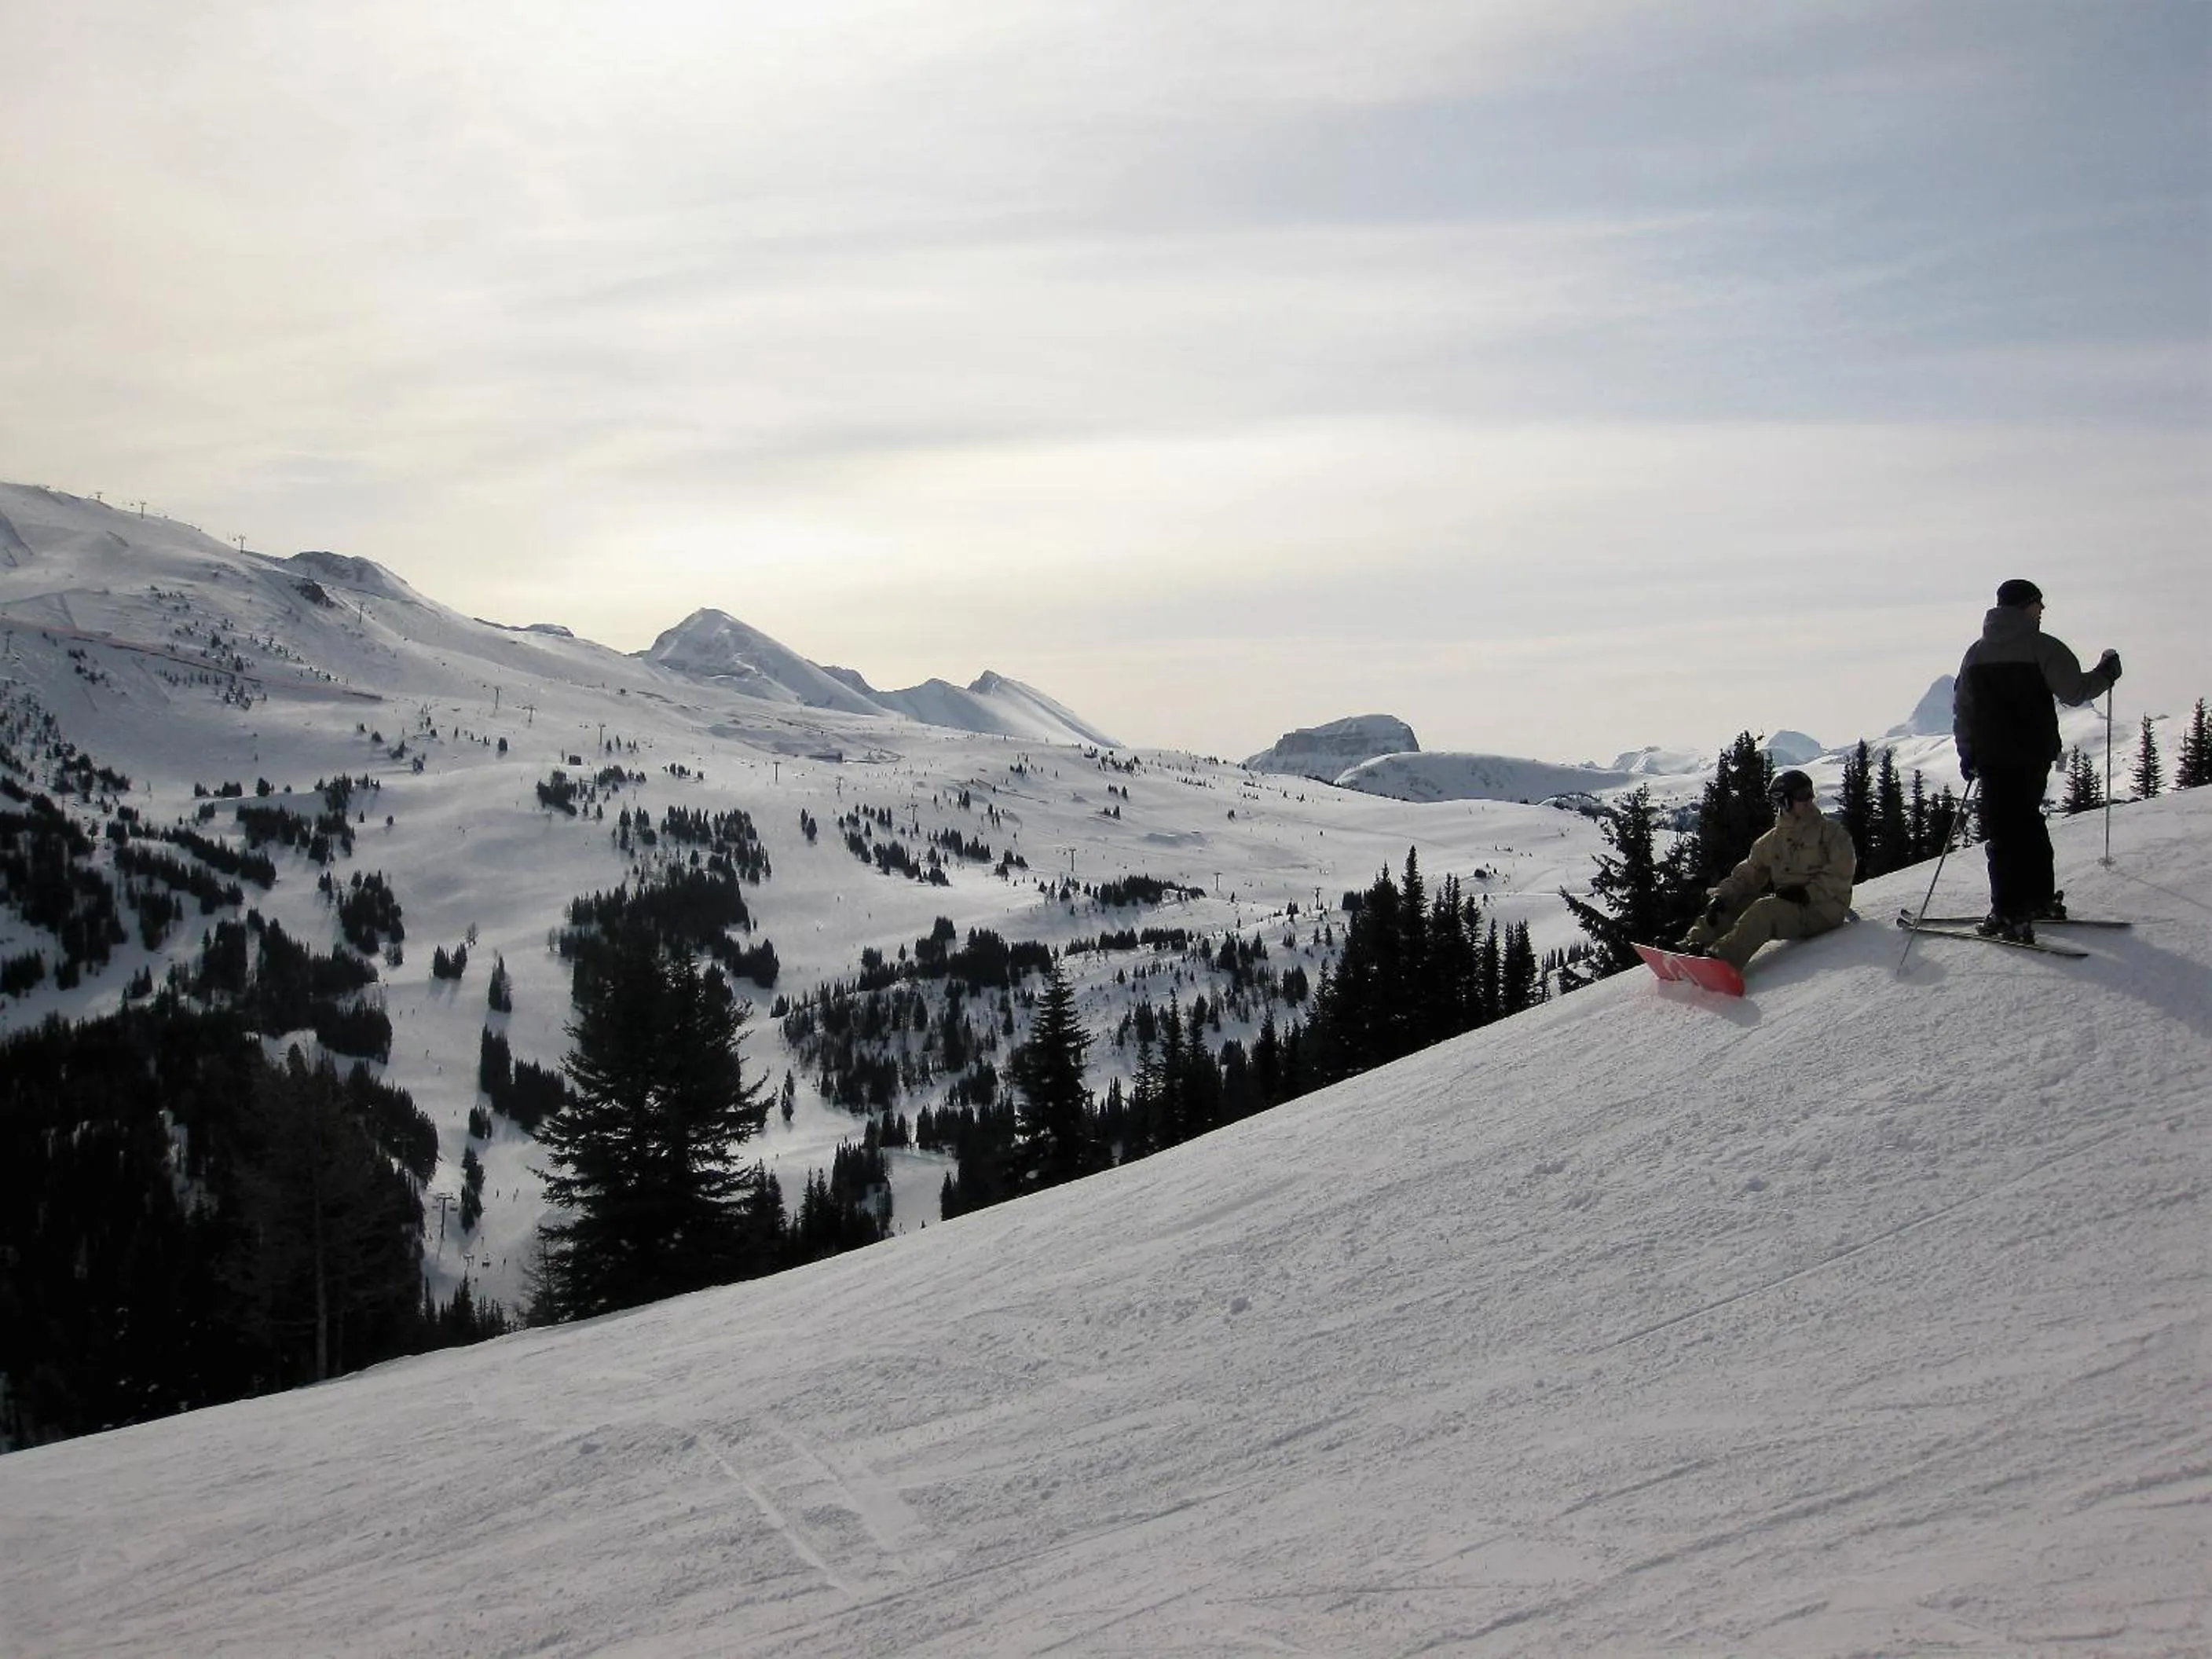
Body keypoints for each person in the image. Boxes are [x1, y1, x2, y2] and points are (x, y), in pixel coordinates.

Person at [1952, 579, 2121, 943]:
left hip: (1993, 758)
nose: (2042, 610)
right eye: (2038, 604)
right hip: (2033, 755)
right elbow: (2075, 691)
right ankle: (2039, 902)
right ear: (2025, 607)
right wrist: (2106, 673)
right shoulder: (2043, 647)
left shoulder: (1975, 654)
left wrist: (1967, 753)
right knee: (2028, 824)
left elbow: (1963, 709)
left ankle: (2009, 913)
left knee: (2002, 834)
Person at [1677, 769, 1857, 970]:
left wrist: (1806, 893)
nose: (1810, 798)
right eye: (1801, 794)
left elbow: (1842, 873)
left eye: (1810, 792)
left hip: (1823, 909)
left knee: (1764, 910)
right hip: (1789, 906)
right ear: (1785, 801)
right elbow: (1747, 874)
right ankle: (1689, 946)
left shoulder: (1831, 833)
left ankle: (1721, 961)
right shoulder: (1772, 841)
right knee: (1731, 904)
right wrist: (1722, 896)